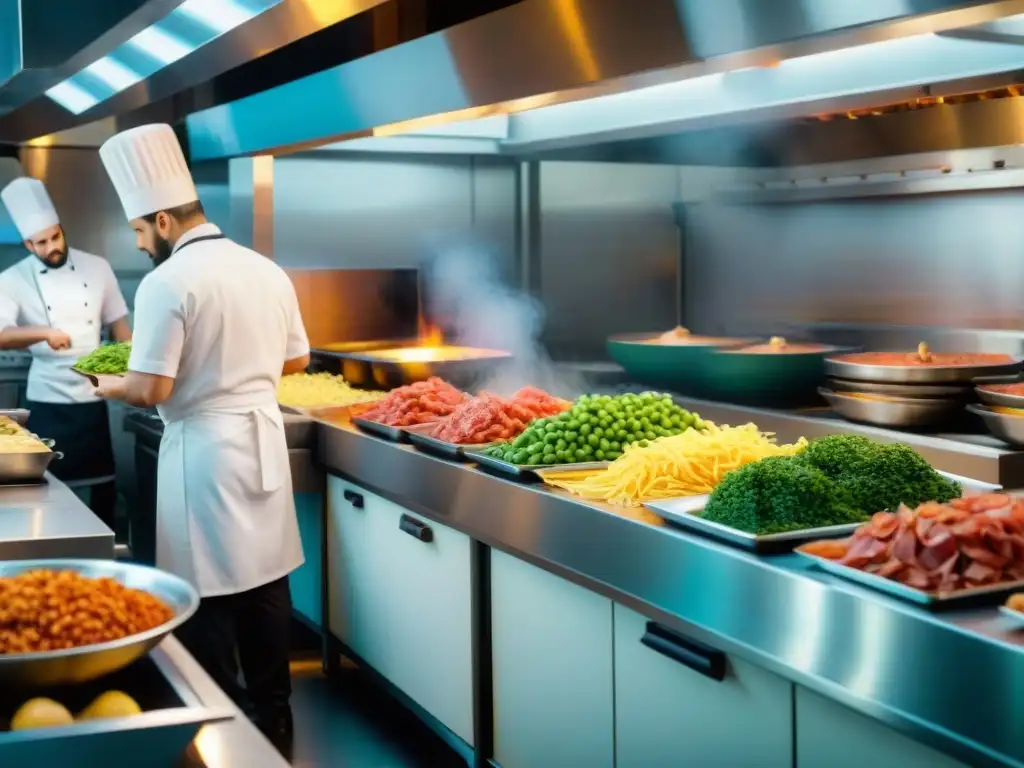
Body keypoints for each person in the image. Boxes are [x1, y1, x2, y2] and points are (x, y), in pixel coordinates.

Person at [94, 123, 310, 751]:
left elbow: (150, 388)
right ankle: (276, 719)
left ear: (162, 220)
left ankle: (221, 732)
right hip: (261, 440)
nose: (139, 245)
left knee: (208, 590)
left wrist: (109, 386)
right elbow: (294, 362)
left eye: (139, 231)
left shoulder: (168, 282)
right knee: (267, 582)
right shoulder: (265, 268)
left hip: (205, 452)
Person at [0, 177, 130, 525]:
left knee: (102, 489)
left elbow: (121, 329)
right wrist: (45, 332)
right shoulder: (13, 279)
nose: (51, 247)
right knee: (48, 493)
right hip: (47, 399)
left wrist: (124, 369)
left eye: (55, 237)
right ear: (28, 243)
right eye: (41, 242)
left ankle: (103, 552)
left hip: (93, 398)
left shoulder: (97, 267)